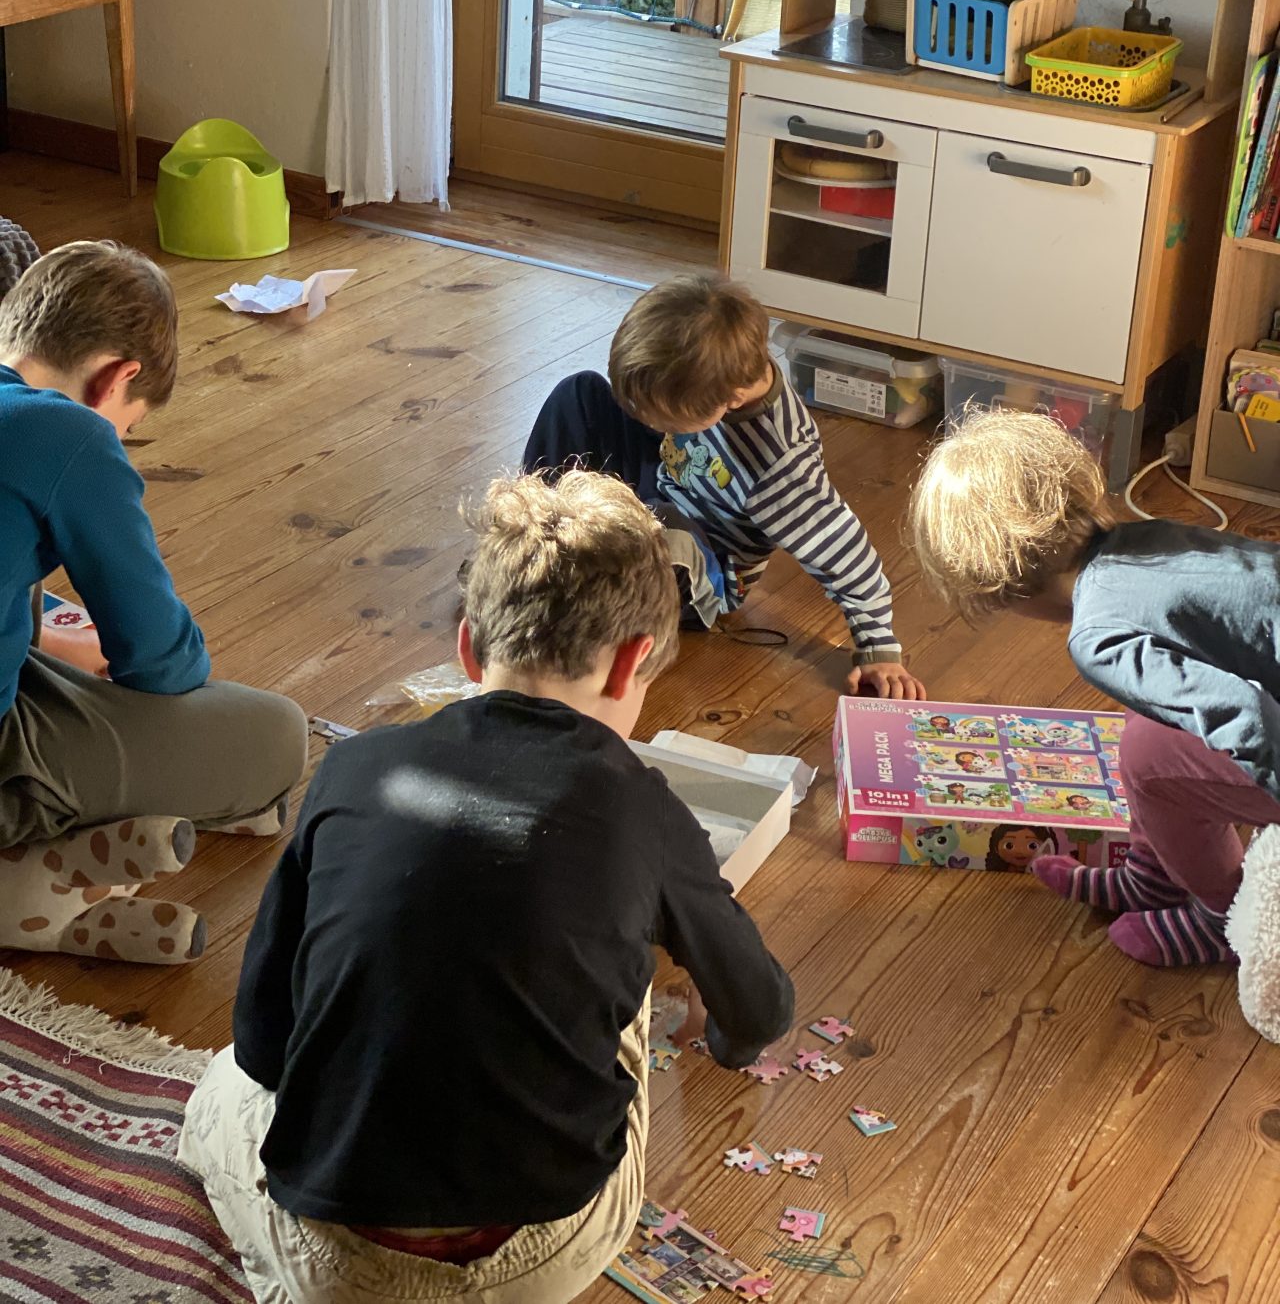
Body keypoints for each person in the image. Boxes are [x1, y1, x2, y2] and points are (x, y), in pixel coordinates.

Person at [181, 470, 794, 1304]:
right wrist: (725, 1040)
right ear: (632, 663)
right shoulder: (643, 807)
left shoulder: (353, 766)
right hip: (543, 1253)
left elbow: (261, 1043)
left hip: (338, 1254)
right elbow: (761, 1008)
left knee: (218, 1090)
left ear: (468, 647)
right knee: (622, 959)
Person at [0, 241, 307, 962]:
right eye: (128, 425)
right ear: (118, 376)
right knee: (276, 734)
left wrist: (51, 640)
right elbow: (160, 662)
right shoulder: (67, 433)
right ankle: (24, 874)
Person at [910, 407, 1280, 967]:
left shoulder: (1097, 637)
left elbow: (1246, 716)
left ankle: (1226, 918)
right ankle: (1156, 873)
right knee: (1151, 716)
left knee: (1148, 760)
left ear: (999, 589)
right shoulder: (1150, 539)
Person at [523, 272, 923, 699]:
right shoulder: (723, 367)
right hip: (667, 487)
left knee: (660, 527)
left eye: (658, 412)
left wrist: (879, 649)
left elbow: (849, 557)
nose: (640, 415)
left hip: (702, 566)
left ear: (731, 399)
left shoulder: (779, 470)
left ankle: (556, 586)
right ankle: (531, 532)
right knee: (580, 392)